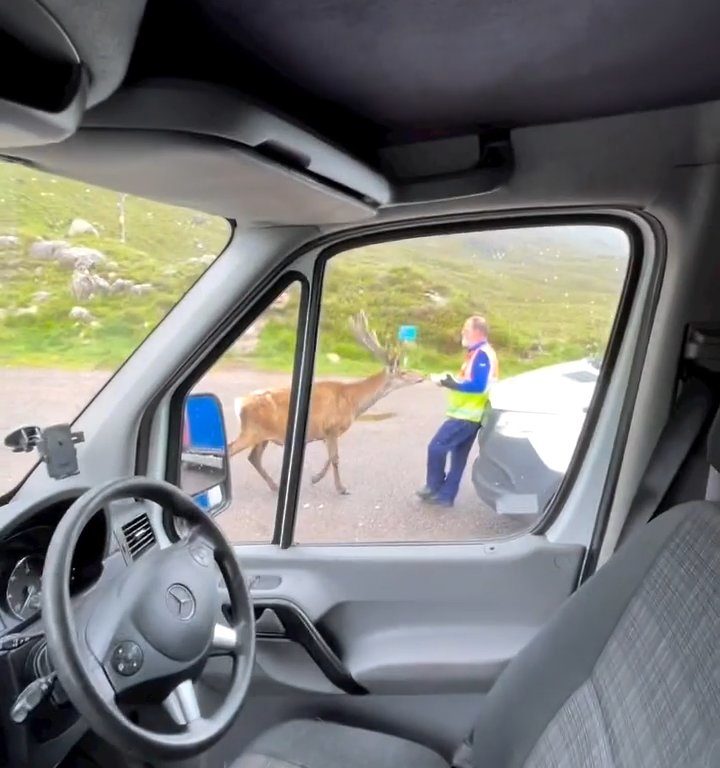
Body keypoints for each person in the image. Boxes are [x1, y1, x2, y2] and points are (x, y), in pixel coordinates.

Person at [417, 315, 499, 507]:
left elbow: (478, 385)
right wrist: (451, 381)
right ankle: (446, 497)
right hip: (472, 414)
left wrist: (452, 384)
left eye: (466, 329)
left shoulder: (482, 354)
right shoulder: (477, 353)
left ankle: (433, 485)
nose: (462, 332)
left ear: (477, 332)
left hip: (467, 415)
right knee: (458, 458)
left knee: (436, 446)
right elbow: (471, 380)